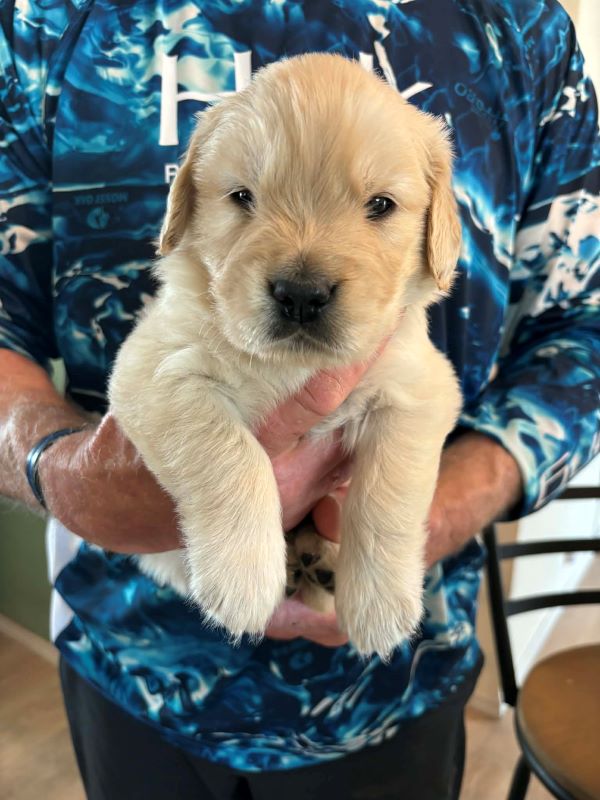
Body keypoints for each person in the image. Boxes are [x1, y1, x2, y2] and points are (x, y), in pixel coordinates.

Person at [0, 1, 598, 798]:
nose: (304, 276)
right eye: (244, 199)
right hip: (129, 662)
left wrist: (413, 526)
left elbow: (582, 329)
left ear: (435, 221)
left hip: (395, 687)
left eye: (378, 207)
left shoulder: (519, 26)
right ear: (189, 200)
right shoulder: (46, 17)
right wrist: (67, 472)